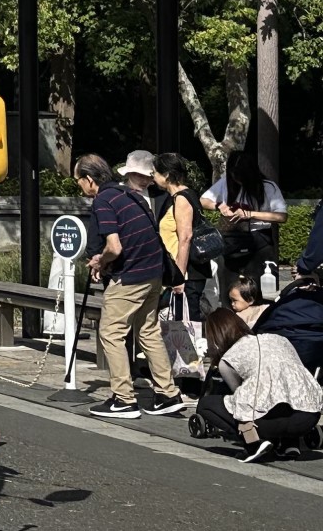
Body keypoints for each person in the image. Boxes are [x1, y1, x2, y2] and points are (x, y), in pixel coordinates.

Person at [76, 153, 186, 418]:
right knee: (147, 331)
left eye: (79, 180)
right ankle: (168, 393)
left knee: (111, 333)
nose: (79, 185)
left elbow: (114, 246)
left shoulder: (103, 199)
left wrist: (101, 262)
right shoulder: (130, 194)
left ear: (90, 180)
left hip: (130, 277)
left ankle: (124, 399)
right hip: (153, 274)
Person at [190, 307, 323, 462]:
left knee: (208, 404)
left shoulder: (228, 359)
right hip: (309, 417)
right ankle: (289, 445)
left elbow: (239, 394)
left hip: (270, 423)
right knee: (285, 392)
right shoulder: (279, 339)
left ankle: (253, 444)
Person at [202, 149, 287, 294]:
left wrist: (251, 214)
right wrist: (219, 206)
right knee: (228, 287)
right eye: (233, 176)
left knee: (260, 288)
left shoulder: (268, 187)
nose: (237, 180)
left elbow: (281, 216)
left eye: (240, 176)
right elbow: (203, 200)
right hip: (232, 239)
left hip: (259, 238)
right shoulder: (225, 183)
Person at [152, 152, 210, 319]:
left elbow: (185, 237)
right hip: (182, 270)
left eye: (155, 172)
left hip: (187, 273)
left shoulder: (182, 199)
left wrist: (178, 276)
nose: (153, 177)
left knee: (186, 325)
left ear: (167, 175)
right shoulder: (181, 196)